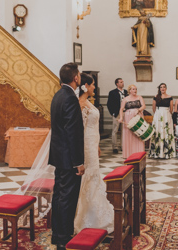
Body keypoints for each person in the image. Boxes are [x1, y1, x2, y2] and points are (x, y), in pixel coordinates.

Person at [48, 63, 85, 248]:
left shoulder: (58, 95)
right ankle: (63, 238)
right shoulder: (70, 97)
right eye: (78, 74)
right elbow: (73, 133)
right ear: (75, 78)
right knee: (67, 199)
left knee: (59, 196)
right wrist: (78, 162)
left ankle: (57, 234)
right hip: (69, 158)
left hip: (59, 156)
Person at [74, 73, 114, 233]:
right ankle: (85, 215)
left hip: (92, 143)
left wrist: (97, 144)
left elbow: (93, 127)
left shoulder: (89, 102)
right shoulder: (81, 104)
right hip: (85, 146)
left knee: (95, 175)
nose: (94, 88)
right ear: (85, 86)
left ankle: (95, 210)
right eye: (92, 85)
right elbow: (80, 130)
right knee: (88, 176)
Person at [118, 84, 145, 159]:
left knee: (138, 134)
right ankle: (129, 153)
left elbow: (143, 106)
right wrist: (120, 117)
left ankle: (139, 152)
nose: (135, 90)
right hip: (128, 117)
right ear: (129, 90)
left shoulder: (139, 97)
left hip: (138, 116)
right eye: (133, 89)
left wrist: (139, 110)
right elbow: (121, 109)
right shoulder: (126, 99)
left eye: (136, 89)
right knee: (129, 134)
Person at [150, 83, 175, 159]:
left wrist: (167, 115)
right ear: (159, 89)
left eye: (164, 87)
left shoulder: (170, 97)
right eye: (161, 87)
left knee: (166, 132)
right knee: (158, 131)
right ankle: (157, 151)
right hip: (158, 115)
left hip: (167, 115)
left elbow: (171, 109)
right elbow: (153, 108)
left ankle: (167, 151)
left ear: (166, 88)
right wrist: (157, 114)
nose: (162, 88)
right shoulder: (156, 97)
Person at [107, 78, 127, 154]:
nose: (122, 83)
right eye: (121, 82)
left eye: (123, 82)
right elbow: (109, 104)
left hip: (125, 112)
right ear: (117, 84)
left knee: (123, 130)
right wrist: (113, 113)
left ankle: (122, 146)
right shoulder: (112, 92)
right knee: (115, 130)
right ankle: (114, 147)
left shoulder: (125, 92)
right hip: (117, 113)